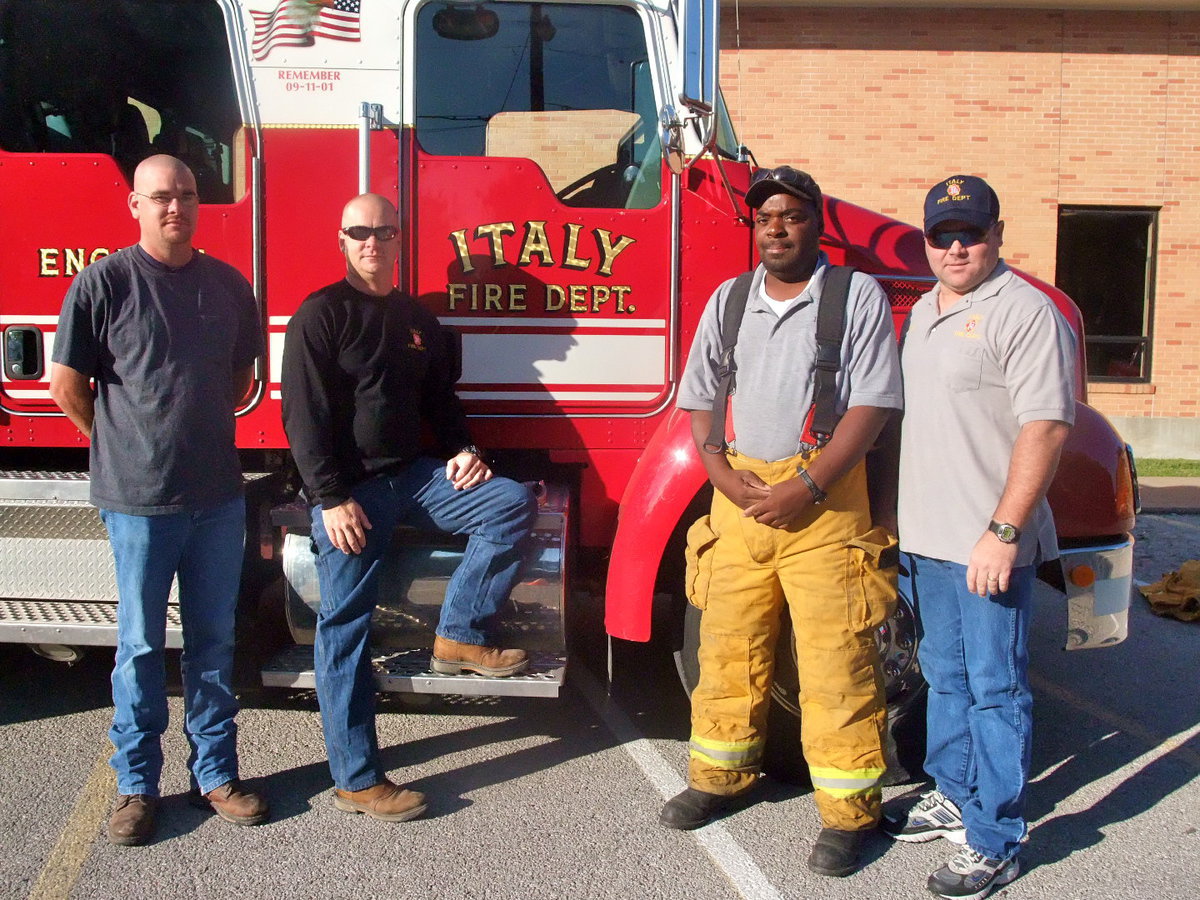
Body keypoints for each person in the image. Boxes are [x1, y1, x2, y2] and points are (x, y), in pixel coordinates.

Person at [664, 166, 903, 878]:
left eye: (792, 216)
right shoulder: (730, 299)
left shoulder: (856, 296)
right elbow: (701, 393)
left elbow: (873, 406)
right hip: (738, 500)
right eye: (765, 216)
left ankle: (850, 816)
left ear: (816, 224)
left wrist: (807, 484)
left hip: (824, 503)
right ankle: (720, 778)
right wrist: (717, 470)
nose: (776, 227)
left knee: (837, 665)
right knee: (727, 649)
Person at [281, 193, 537, 823]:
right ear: (341, 241)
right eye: (360, 232)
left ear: (400, 241)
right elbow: (303, 419)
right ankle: (357, 779)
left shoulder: (418, 320)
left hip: (414, 479)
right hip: (351, 493)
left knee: (508, 502)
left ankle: (459, 632)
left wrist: (462, 450)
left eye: (384, 232)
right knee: (344, 627)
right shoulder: (320, 315)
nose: (373, 242)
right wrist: (331, 498)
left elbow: (440, 404)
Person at [48, 155, 268, 846]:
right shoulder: (103, 283)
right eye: (161, 197)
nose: (176, 207)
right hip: (139, 501)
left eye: (187, 196)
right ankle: (137, 786)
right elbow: (65, 383)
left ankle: (216, 775)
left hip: (216, 499)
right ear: (135, 206)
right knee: (141, 647)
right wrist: (118, 445)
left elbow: (241, 379)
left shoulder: (229, 286)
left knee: (212, 643)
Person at [885, 175, 1076, 900]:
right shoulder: (927, 310)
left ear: (998, 233)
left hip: (987, 544)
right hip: (927, 541)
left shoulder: (1026, 311)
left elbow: (1048, 426)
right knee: (946, 675)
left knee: (996, 689)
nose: (957, 246)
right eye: (943, 234)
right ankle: (952, 793)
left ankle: (996, 837)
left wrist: (1004, 532)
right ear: (927, 240)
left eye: (971, 232)